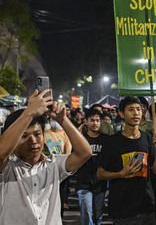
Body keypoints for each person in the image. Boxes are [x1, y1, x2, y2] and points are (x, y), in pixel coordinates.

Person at [0, 90, 92, 224]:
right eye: (24, 136)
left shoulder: (53, 164)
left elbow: (85, 153)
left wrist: (63, 119)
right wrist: (28, 113)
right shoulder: (6, 169)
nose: (33, 141)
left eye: (37, 134)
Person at [97, 96, 156, 224]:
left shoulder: (148, 138)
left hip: (146, 207)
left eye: (138, 109)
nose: (136, 113)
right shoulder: (112, 142)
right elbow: (100, 173)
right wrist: (121, 173)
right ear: (121, 113)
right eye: (131, 109)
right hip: (122, 209)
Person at [75, 109, 109, 225]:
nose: (95, 123)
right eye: (92, 120)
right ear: (87, 121)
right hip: (84, 182)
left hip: (100, 182)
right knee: (86, 213)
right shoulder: (81, 139)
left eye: (97, 121)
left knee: (98, 214)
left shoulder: (106, 139)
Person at [44, 117, 73, 214]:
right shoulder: (44, 133)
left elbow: (68, 149)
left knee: (61, 191)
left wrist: (64, 162)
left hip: (60, 166)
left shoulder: (64, 134)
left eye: (56, 119)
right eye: (52, 119)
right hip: (46, 167)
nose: (54, 122)